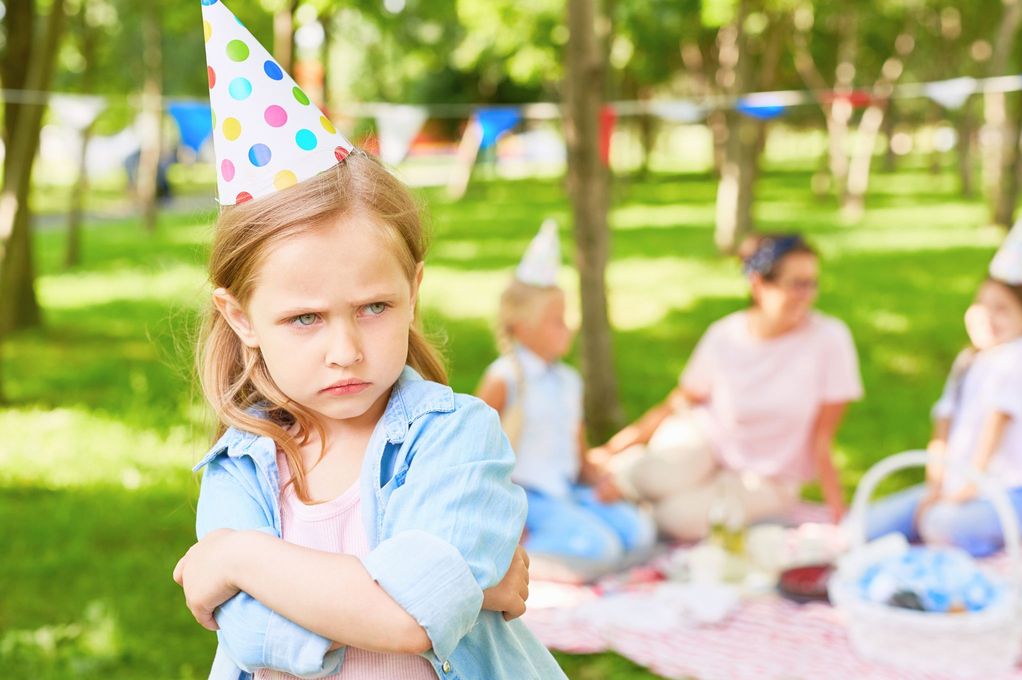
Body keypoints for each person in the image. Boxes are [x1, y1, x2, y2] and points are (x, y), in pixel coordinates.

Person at [171, 3, 566, 679]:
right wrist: (459, 594)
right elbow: (251, 632)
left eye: (374, 307)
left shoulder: (456, 437)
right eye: (305, 319)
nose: (346, 350)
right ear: (240, 319)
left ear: (413, 289)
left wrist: (238, 559)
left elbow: (410, 618)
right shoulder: (240, 465)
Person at [590, 233, 864, 541]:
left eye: (812, 283)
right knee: (654, 475)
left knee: (676, 518)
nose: (808, 295)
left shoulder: (829, 339)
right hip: (707, 439)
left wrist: (840, 518)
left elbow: (822, 440)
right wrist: (614, 447)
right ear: (759, 285)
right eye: (796, 284)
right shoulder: (725, 335)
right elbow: (680, 401)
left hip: (768, 477)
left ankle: (634, 503)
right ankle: (624, 476)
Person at [866, 220, 1022, 557]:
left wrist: (967, 488)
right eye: (982, 305)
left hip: (1012, 493)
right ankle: (943, 542)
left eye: (1002, 309)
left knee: (939, 523)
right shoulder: (969, 359)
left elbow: (998, 420)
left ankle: (965, 546)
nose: (988, 317)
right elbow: (943, 422)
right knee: (864, 527)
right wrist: (936, 484)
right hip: (956, 484)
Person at [477, 220, 655, 576]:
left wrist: (601, 481)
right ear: (522, 329)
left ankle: (575, 545)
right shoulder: (506, 379)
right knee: (601, 551)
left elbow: (577, 451)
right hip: (528, 500)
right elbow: (471, 453)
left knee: (640, 534)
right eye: (556, 321)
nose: (568, 328)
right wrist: (499, 514)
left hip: (566, 490)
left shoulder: (568, 381)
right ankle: (510, 555)